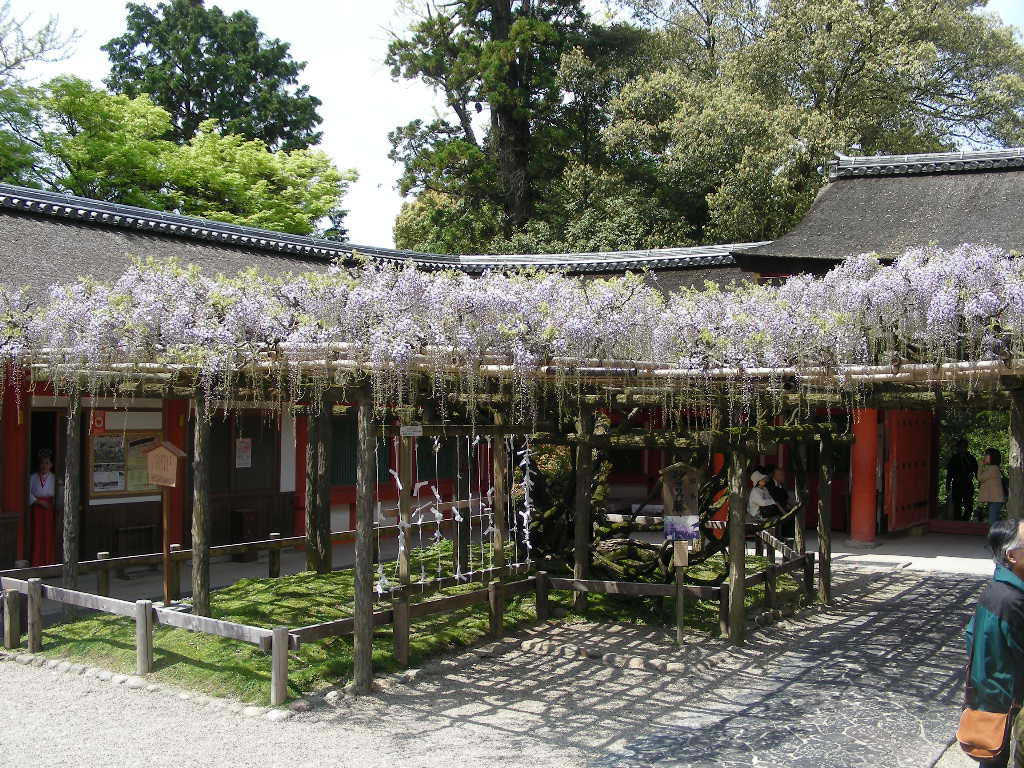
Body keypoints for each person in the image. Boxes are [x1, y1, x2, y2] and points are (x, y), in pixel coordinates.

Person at [964, 518, 1024, 766]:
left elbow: (970, 635)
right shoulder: (1010, 600)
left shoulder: (999, 590)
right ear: (1012, 556)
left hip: (992, 698)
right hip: (1006, 701)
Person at [28, 449, 57, 566]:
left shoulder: (54, 478)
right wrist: (39, 501)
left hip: (49, 507)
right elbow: (27, 493)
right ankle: (36, 562)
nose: (44, 466)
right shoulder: (33, 477)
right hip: (37, 507)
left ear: (51, 465)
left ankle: (48, 562)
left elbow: (58, 493)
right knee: (37, 533)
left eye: (46, 463)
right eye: (42, 463)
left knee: (48, 534)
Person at [948, 439, 979, 520]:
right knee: (957, 505)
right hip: (957, 484)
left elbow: (976, 470)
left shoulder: (970, 458)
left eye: (964, 447)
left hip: (968, 483)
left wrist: (979, 481)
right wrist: (947, 484)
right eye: (961, 447)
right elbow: (950, 473)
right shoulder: (954, 458)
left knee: (969, 504)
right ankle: (957, 521)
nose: (963, 448)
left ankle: (965, 520)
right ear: (958, 448)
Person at [979, 448, 1008, 526]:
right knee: (995, 520)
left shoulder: (993, 469)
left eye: (986, 455)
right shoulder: (994, 468)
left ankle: (996, 537)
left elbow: (980, 478)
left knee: (992, 522)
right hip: (995, 499)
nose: (984, 457)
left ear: (992, 457)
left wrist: (980, 466)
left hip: (995, 499)